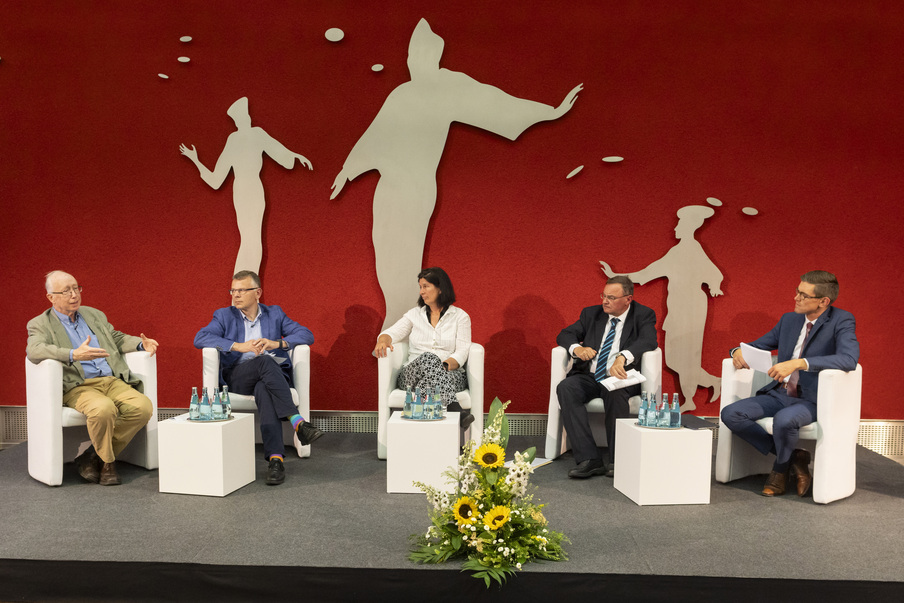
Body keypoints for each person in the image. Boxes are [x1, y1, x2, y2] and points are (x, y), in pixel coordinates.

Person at [331, 18, 582, 330]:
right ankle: (396, 319)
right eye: (412, 55)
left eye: (421, 55)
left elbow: (494, 101)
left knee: (406, 253)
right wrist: (348, 169)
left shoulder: (449, 86)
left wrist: (549, 111)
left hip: (416, 187)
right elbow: (375, 136)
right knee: (384, 249)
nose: (414, 61)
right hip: (390, 184)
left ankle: (403, 324)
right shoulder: (401, 94)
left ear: (433, 57)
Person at [721, 270, 859, 497]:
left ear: (823, 301)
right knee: (731, 414)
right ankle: (795, 458)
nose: (796, 298)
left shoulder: (841, 320)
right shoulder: (790, 319)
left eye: (804, 295)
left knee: (784, 421)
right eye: (797, 291)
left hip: (812, 397)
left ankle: (779, 470)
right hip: (780, 393)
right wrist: (736, 351)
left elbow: (849, 359)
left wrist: (800, 363)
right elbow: (756, 346)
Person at [26, 271, 158, 486]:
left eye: (76, 288)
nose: (74, 294)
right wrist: (72, 354)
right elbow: (35, 350)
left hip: (110, 379)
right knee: (103, 409)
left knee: (142, 407)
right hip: (79, 385)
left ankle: (91, 456)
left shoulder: (93, 314)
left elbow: (114, 337)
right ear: (51, 297)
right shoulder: (40, 324)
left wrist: (141, 344)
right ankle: (108, 465)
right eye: (66, 291)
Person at [194, 270, 321, 486]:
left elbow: (306, 334)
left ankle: (275, 460)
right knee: (264, 362)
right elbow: (201, 337)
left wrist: (276, 343)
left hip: (270, 377)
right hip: (239, 375)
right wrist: (238, 346)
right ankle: (297, 422)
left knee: (264, 386)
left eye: (242, 290)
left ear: (258, 292)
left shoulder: (275, 314)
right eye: (233, 290)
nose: (235, 295)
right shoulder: (224, 315)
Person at [601, 205, 723, 411]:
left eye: (680, 223)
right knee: (675, 358)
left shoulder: (691, 249)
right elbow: (647, 273)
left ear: (688, 226)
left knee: (688, 355)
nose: (675, 227)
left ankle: (689, 398)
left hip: (692, 308)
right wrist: (616, 275)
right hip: (678, 308)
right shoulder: (677, 251)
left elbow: (715, 273)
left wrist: (715, 286)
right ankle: (712, 382)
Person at [180, 97, 313, 275]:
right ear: (244, 118)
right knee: (252, 241)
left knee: (248, 241)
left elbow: (215, 180)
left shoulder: (234, 139)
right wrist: (294, 156)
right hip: (251, 189)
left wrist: (196, 161)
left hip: (241, 190)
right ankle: (245, 292)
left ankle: (241, 292)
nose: (249, 117)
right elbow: (282, 157)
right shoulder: (254, 134)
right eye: (246, 115)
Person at [555, 276, 658, 478]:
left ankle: (618, 458)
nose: (605, 301)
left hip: (621, 376)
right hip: (590, 375)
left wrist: (623, 358)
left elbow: (648, 340)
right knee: (566, 387)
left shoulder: (643, 315)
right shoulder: (591, 314)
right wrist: (578, 348)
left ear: (628, 299)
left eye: (611, 297)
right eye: (603, 295)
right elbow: (565, 334)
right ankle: (589, 459)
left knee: (615, 390)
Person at [373, 267, 473, 429]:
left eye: (426, 286)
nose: (421, 292)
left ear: (440, 288)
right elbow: (391, 333)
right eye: (420, 287)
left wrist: (441, 368)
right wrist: (383, 340)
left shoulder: (460, 317)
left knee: (429, 380)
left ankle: (425, 433)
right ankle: (456, 409)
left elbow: (462, 351)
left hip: (450, 374)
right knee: (429, 357)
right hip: (411, 375)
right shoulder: (414, 315)